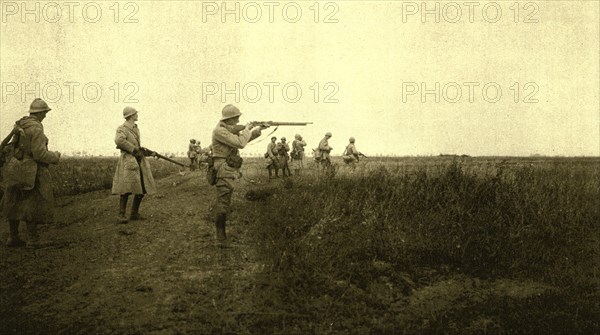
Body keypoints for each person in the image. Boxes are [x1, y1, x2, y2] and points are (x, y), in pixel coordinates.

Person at [2, 98, 61, 248]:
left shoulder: (20, 125)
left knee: (14, 200)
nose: (46, 116)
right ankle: (33, 239)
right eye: (45, 113)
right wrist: (55, 156)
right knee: (32, 202)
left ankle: (13, 237)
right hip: (30, 170)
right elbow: (39, 154)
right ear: (41, 113)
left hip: (15, 167)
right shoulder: (37, 129)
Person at [211, 104, 266, 245]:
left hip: (227, 169)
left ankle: (221, 236)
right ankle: (220, 239)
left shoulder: (226, 130)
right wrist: (247, 128)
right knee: (223, 203)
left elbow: (242, 140)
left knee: (225, 201)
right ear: (228, 119)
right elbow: (240, 143)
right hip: (223, 169)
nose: (237, 122)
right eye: (235, 119)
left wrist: (257, 130)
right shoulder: (220, 131)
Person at [111, 106, 157, 224]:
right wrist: (134, 150)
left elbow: (137, 147)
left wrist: (149, 152)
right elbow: (119, 141)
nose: (137, 115)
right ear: (131, 115)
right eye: (136, 113)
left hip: (138, 161)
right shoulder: (122, 128)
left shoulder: (135, 128)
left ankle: (134, 213)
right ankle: (121, 214)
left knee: (142, 187)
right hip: (128, 161)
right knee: (126, 188)